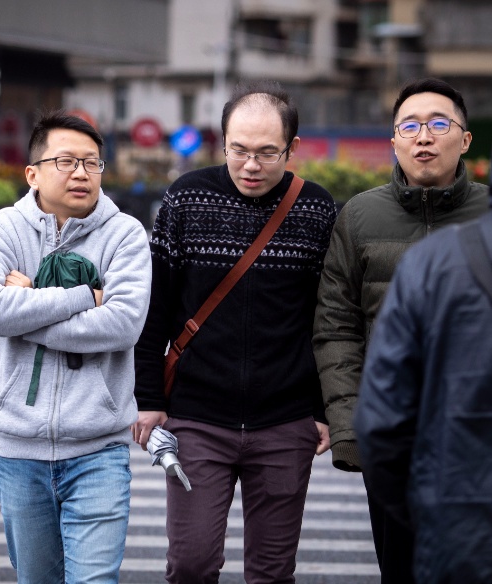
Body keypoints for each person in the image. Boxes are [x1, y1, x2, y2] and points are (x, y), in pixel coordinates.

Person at [133, 80, 337, 583]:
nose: (250, 165)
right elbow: (152, 308)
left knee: (271, 572)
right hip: (197, 417)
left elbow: (328, 319)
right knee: (191, 563)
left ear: (292, 149)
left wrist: (322, 409)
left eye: (267, 153)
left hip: (285, 421)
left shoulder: (316, 209)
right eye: (239, 150)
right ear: (222, 142)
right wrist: (147, 397)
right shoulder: (186, 198)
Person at [313, 77, 488, 582]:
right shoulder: (359, 216)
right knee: (403, 568)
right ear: (393, 140)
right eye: (409, 126)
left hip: (479, 434)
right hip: (396, 436)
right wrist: (352, 430)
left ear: (466, 139)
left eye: (439, 124)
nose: (423, 137)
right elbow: (335, 327)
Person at [0, 110, 152, 583]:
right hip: (18, 452)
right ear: (33, 172)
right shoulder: (5, 229)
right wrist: (79, 298)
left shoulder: (125, 235)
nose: (80, 173)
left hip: (98, 449)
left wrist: (27, 305)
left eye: (91, 163)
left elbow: (122, 325)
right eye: (66, 161)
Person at [354, 173, 492, 582]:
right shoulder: (366, 216)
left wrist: (425, 509)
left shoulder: (433, 261)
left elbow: (381, 425)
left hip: (461, 523)